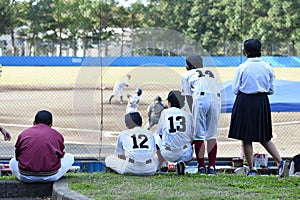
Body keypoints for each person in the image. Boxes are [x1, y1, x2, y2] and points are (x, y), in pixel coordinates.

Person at [228, 38, 288, 176]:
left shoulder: (242, 67)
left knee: (246, 137)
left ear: (245, 52)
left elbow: (235, 89)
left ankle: (252, 169)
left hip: (244, 101)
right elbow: (271, 89)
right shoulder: (268, 67)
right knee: (264, 136)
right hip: (261, 101)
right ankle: (281, 161)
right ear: (260, 51)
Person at [181, 54, 221, 175]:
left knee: (199, 135)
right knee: (211, 134)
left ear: (188, 65)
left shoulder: (187, 75)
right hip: (216, 99)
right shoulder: (210, 72)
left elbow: (188, 97)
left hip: (201, 99)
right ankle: (212, 167)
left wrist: (194, 113)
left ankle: (202, 166)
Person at [9, 110, 74, 183]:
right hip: (50, 176)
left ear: (34, 123)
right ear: (50, 125)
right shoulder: (57, 135)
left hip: (26, 176)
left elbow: (18, 157)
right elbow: (61, 155)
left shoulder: (24, 133)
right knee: (70, 157)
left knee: (12, 161)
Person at [155, 90, 193, 175]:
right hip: (186, 154)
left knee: (155, 137)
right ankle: (182, 162)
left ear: (169, 103)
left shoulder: (165, 112)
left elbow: (160, 134)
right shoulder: (189, 116)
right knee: (188, 141)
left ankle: (163, 164)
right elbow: (192, 138)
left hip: (167, 153)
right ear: (183, 103)